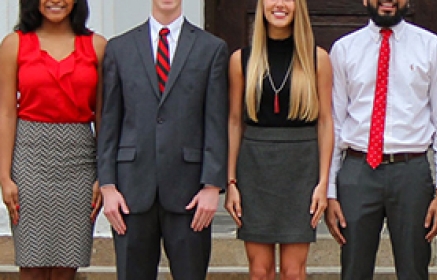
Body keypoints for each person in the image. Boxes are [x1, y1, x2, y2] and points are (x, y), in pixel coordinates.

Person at [97, 0, 228, 278]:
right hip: (131, 190)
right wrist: (108, 186)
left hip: (190, 192)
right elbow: (109, 122)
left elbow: (215, 122)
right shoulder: (120, 48)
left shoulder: (211, 48)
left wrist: (212, 185)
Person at [324, 0, 437, 278]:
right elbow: (334, 123)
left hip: (411, 172)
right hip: (357, 172)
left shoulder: (432, 47)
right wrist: (331, 192)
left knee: (414, 270)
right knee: (354, 270)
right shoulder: (344, 49)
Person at [224, 0, 333, 279]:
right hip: (255, 166)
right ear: (262, 5)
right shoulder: (241, 59)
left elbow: (325, 122)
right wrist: (231, 182)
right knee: (259, 271)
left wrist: (323, 183)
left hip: (301, 166)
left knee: (293, 271)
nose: (280, 5)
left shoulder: (317, 58)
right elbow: (235, 122)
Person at [0, 0, 105, 279]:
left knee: (66, 264)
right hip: (29, 158)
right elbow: (7, 112)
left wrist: (104, 174)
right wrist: (5, 176)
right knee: (31, 264)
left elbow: (104, 118)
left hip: (79, 161)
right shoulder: (14, 44)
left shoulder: (97, 46)